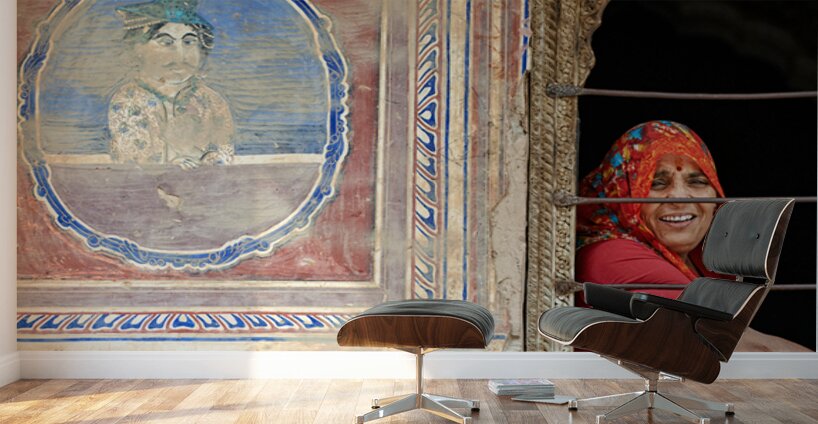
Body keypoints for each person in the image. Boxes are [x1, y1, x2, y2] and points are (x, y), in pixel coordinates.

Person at [575, 120, 808, 351]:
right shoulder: (612, 256)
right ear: (621, 193)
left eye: (697, 181)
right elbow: (742, 347)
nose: (680, 197)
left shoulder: (700, 257)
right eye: (657, 183)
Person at [108, 0, 234, 168]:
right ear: (137, 48)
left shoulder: (211, 101)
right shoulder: (128, 100)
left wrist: (202, 155)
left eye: (189, 42)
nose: (180, 55)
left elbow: (224, 157)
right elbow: (131, 163)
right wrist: (171, 166)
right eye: (166, 42)